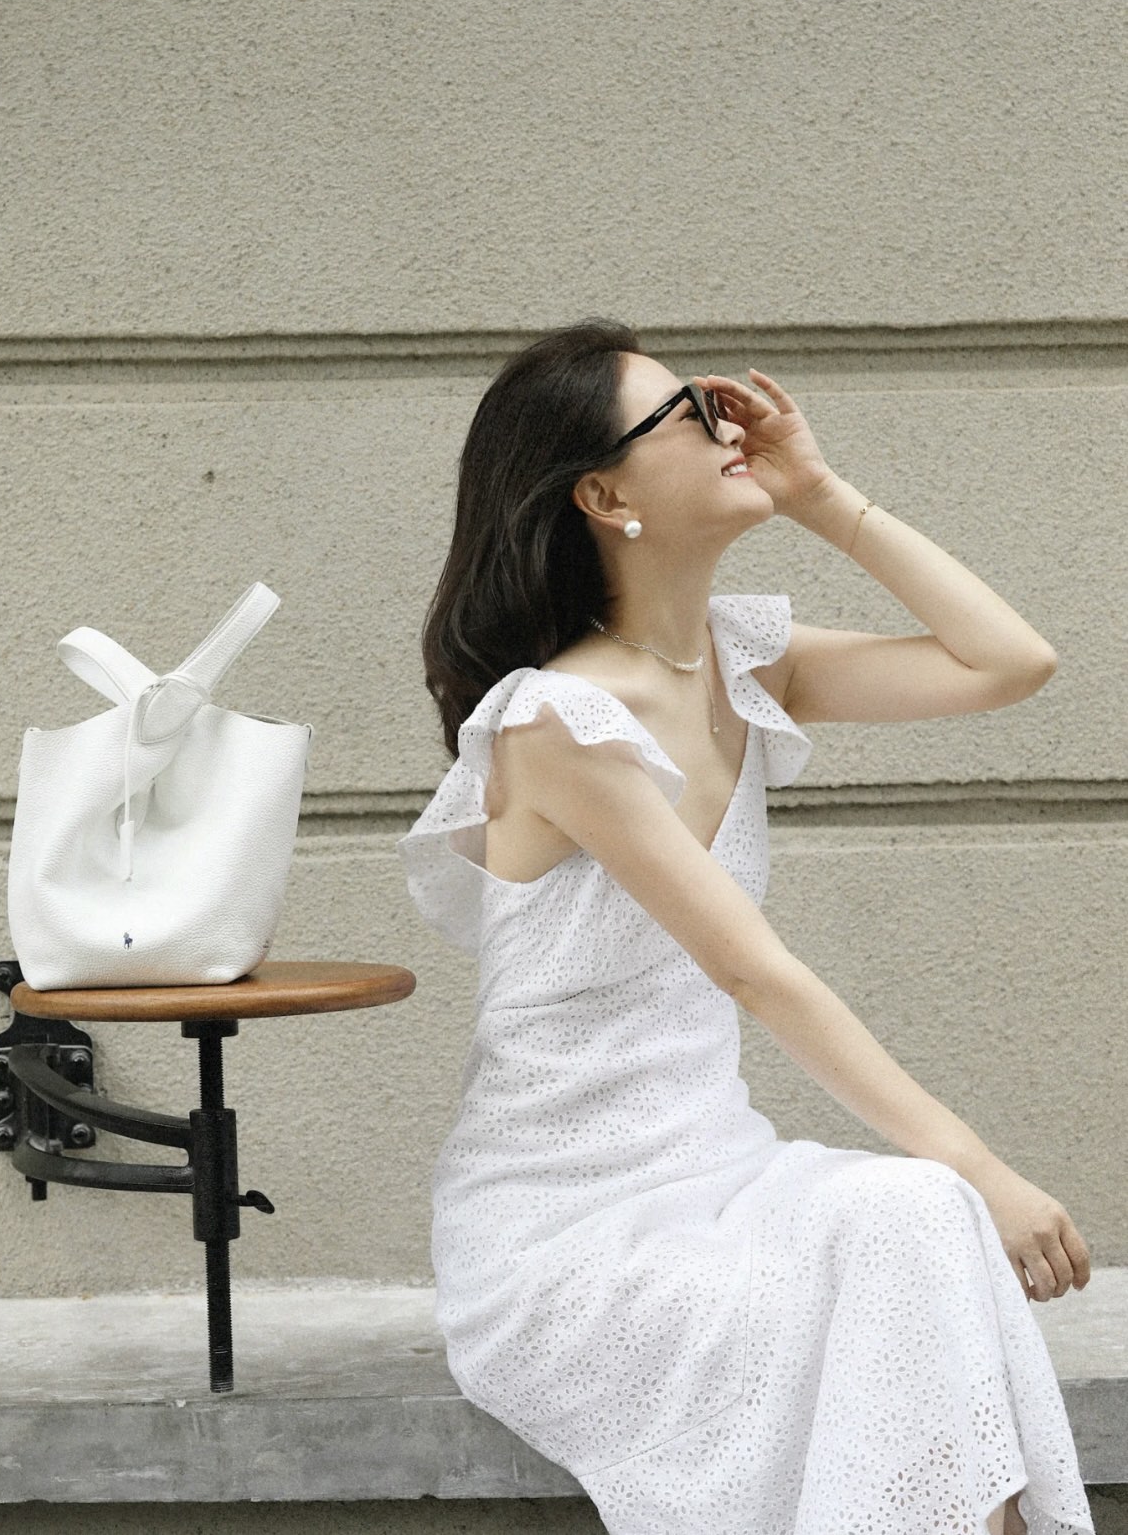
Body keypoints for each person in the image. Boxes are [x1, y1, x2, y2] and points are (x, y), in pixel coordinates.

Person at [398, 318, 1094, 1535]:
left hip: (723, 1172)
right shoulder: (557, 719)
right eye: (686, 414)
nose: (728, 425)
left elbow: (1010, 662)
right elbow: (756, 974)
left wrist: (820, 495)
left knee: (914, 1218)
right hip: (570, 1231)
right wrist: (983, 1167)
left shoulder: (741, 661)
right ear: (605, 495)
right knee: (939, 1209)